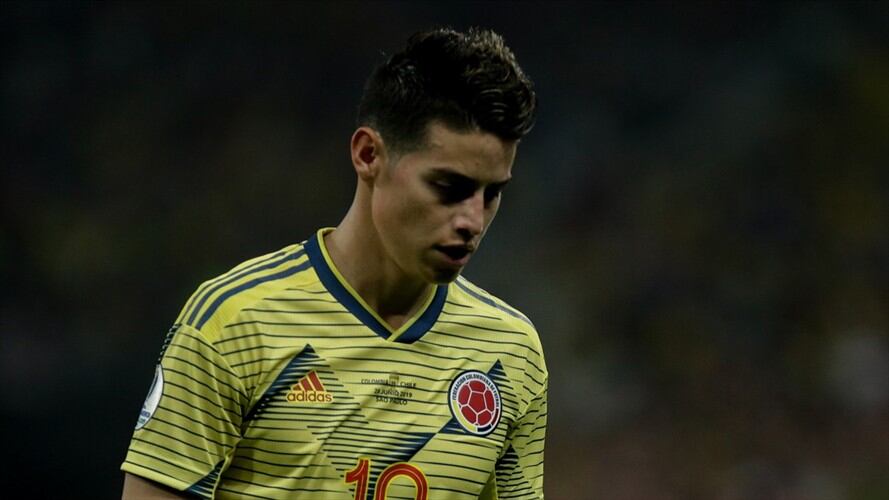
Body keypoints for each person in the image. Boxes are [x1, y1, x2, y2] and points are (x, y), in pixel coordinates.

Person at [121, 27, 546, 500]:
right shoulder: (234, 324)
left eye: (493, 194)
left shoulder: (510, 353)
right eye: (449, 187)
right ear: (369, 155)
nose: (473, 219)